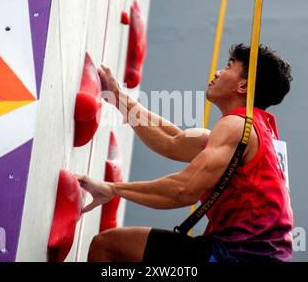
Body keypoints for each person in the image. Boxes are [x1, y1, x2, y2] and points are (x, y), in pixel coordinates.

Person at [77, 43, 294, 262]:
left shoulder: (237, 127)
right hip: (245, 252)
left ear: (242, 86)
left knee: (107, 246)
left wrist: (113, 189)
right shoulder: (255, 133)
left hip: (240, 256)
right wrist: (116, 96)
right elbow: (171, 141)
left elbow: (182, 191)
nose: (218, 72)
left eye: (228, 67)